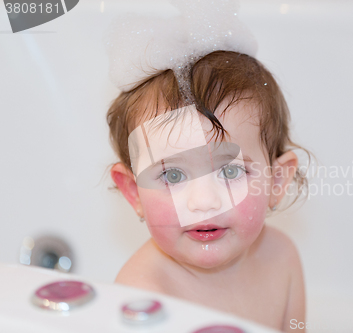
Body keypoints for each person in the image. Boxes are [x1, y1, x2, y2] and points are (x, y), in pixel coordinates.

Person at [107, 49, 307, 332]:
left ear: (276, 181)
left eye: (231, 171)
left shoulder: (281, 257)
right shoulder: (142, 297)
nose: (204, 202)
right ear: (134, 192)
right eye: (173, 175)